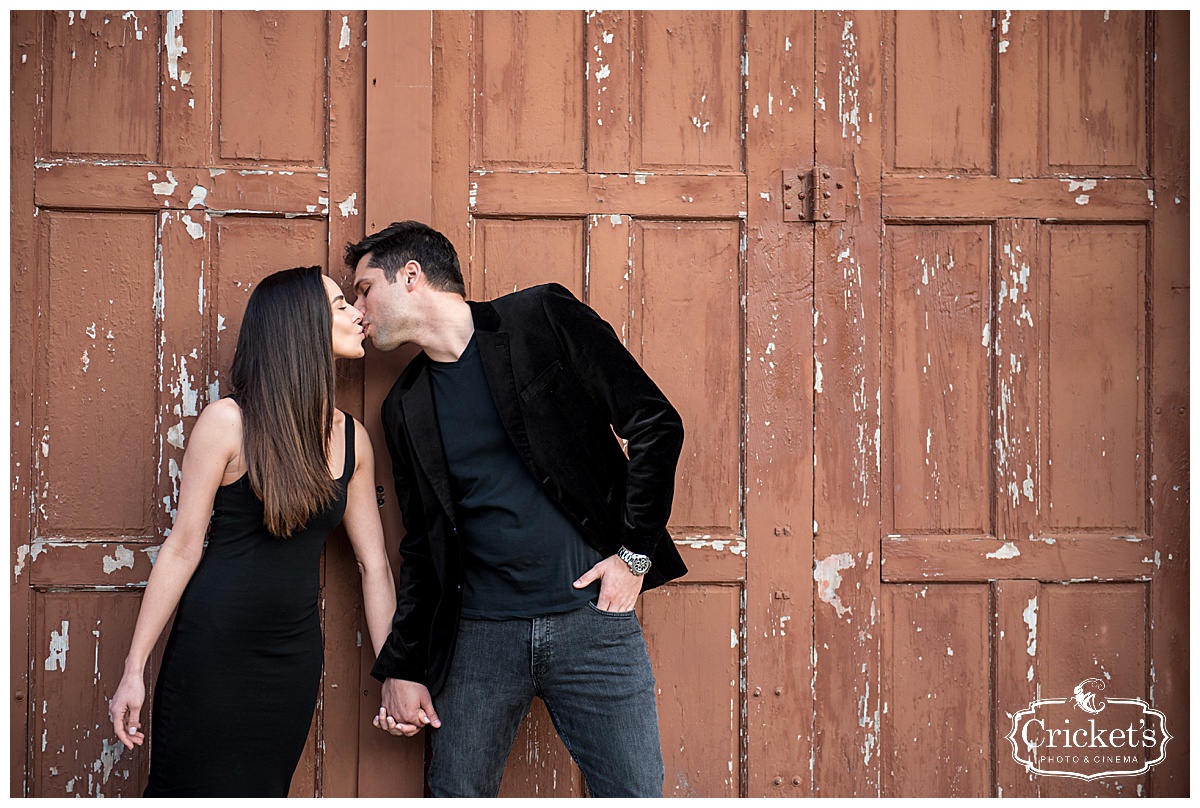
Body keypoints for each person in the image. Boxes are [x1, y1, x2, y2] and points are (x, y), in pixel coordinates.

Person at [346, 221, 687, 797]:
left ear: (411, 276)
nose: (358, 308)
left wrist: (634, 558)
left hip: (592, 626)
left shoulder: (541, 319)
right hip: (479, 640)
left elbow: (656, 423)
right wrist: (403, 664)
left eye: (363, 288)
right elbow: (421, 551)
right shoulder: (404, 407)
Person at [107, 266, 398, 797]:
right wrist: (133, 670)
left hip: (290, 661)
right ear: (298, 326)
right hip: (212, 652)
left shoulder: (352, 439)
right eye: (339, 305)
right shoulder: (228, 423)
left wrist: (394, 671)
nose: (358, 313)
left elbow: (372, 564)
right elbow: (182, 548)